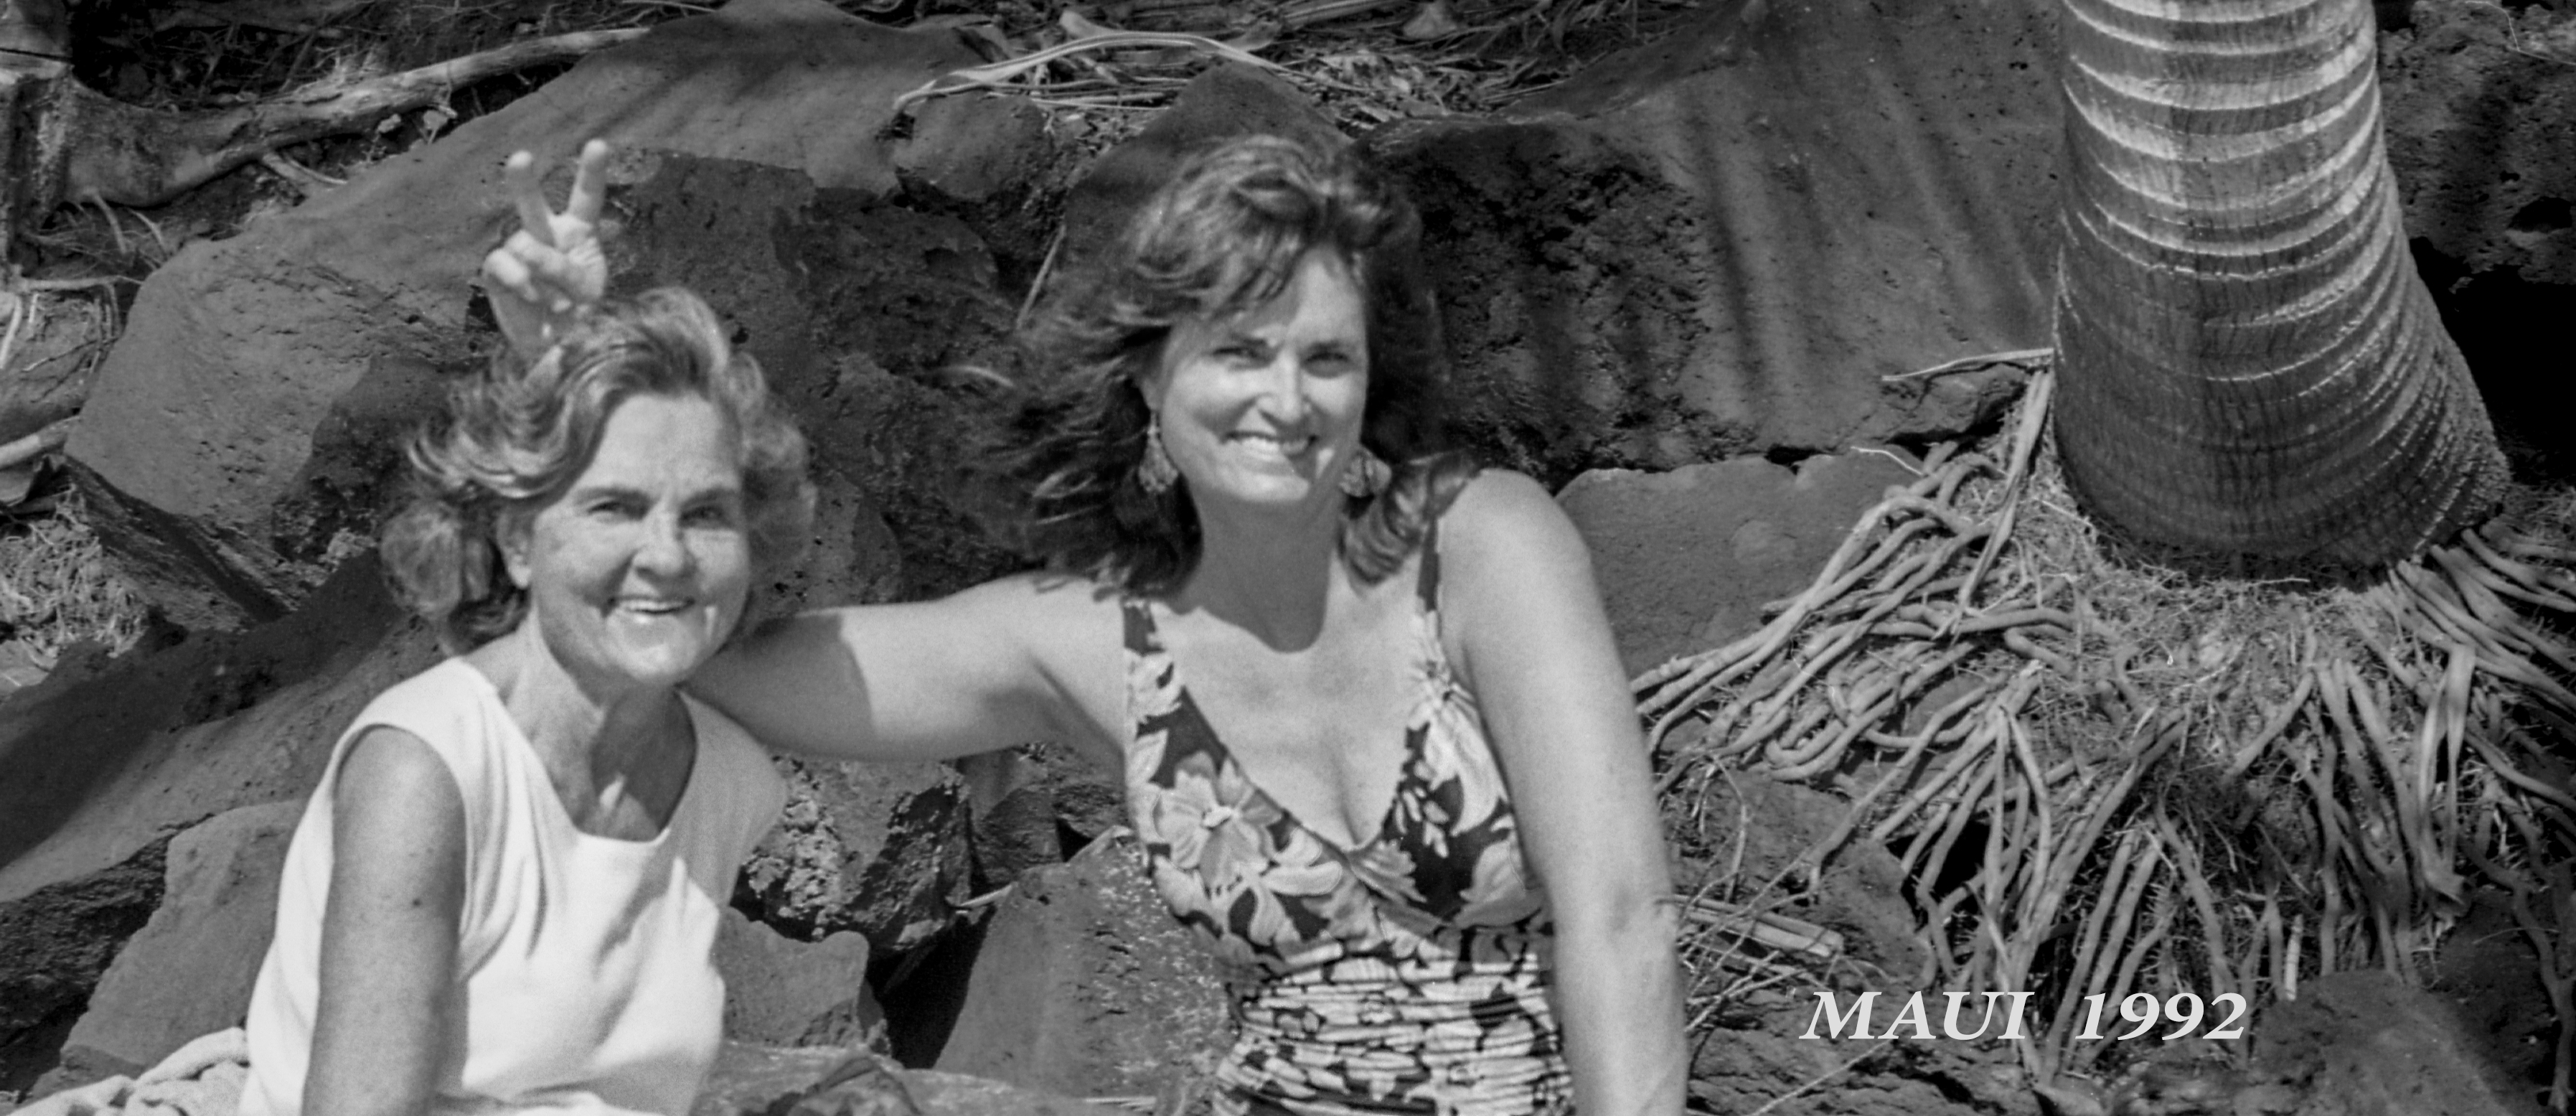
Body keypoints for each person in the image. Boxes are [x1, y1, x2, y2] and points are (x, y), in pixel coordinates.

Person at [484, 132, 1686, 1116]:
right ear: (1152, 379)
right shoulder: (1101, 642)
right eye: (1241, 350)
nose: (1287, 396)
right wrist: (577, 366)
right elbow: (729, 651)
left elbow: (1621, 919)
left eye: (1328, 356)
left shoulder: (1479, 543)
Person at [237, 287, 814, 1116]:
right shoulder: (428, 769)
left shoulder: (728, 776)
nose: (667, 555)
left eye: (707, 514)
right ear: (516, 540)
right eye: (614, 506)